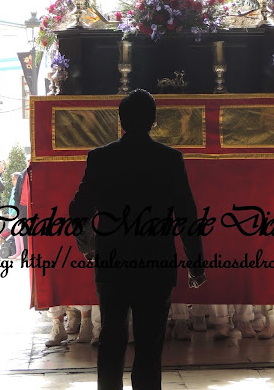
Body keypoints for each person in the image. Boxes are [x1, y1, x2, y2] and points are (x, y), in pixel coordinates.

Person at [70, 89, 205, 390]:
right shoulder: (170, 159)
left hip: (112, 260)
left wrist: (90, 244)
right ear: (154, 121)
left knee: (111, 339)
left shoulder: (100, 158)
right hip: (155, 262)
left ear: (120, 121)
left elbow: (78, 209)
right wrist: (196, 265)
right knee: (149, 345)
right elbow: (186, 214)